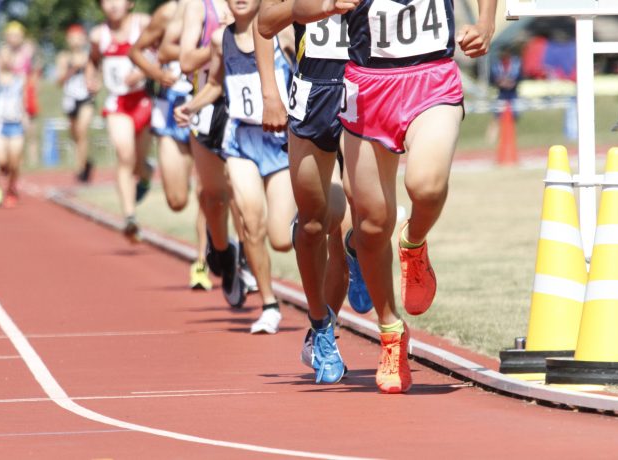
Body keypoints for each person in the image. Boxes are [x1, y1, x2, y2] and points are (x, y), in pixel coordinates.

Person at [293, 0, 496, 392]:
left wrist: (486, 23)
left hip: (432, 77)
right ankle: (390, 331)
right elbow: (296, 9)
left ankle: (414, 241)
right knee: (370, 225)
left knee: (426, 185)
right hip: (368, 88)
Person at [256, 3, 373, 382]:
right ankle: (320, 328)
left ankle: (358, 248)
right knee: (312, 223)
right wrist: (271, 94)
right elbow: (266, 22)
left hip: (368, 84)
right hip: (314, 91)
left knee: (366, 204)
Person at [175, 0, 298, 334]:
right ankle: (269, 304)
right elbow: (215, 84)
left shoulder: (283, 31)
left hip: (279, 143)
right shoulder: (220, 39)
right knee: (250, 220)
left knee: (280, 238)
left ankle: (307, 226)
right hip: (240, 142)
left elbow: (305, 68)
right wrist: (191, 105)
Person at [129, 0, 212, 290]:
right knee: (177, 201)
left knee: (206, 189)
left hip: (207, 104)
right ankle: (153, 170)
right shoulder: (169, 12)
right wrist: (156, 74)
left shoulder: (224, 7)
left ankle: (201, 261)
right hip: (170, 106)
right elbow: (138, 51)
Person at [175, 0, 250, 307]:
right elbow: (185, 60)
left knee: (242, 190)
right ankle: (223, 251)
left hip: (247, 105)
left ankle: (247, 260)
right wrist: (222, 40)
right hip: (209, 104)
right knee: (215, 197)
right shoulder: (199, 6)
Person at [87, 0, 153, 241]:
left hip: (143, 101)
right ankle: (129, 218)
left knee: (138, 161)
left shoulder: (143, 24)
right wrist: (91, 79)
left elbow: (164, 51)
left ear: (130, 3)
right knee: (125, 155)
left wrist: (144, 70)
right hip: (118, 103)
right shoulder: (98, 34)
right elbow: (92, 61)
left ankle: (146, 174)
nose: (112, 5)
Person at [56, 24, 96, 183]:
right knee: (75, 135)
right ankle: (86, 162)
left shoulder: (89, 56)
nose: (76, 41)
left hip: (86, 99)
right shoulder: (63, 58)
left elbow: (95, 77)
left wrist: (94, 85)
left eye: (79, 37)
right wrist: (72, 69)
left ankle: (80, 168)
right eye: (73, 38)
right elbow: (59, 81)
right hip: (70, 100)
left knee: (82, 131)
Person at [0, 47, 27, 208]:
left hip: (16, 124)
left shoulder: (20, 79)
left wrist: (26, 117)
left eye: (8, 57)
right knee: (2, 161)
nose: (6, 60)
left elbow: (24, 101)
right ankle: (1, 180)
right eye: (2, 56)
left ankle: (11, 189)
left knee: (14, 163)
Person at [1, 21, 41, 167]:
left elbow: (36, 69)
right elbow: (5, 67)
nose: (14, 39)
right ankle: (18, 159)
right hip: (10, 94)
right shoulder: (5, 52)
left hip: (26, 91)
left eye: (17, 36)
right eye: (11, 36)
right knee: (16, 129)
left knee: (30, 127)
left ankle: (34, 160)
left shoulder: (28, 51)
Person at [487, 46, 522, 144]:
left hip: (513, 93)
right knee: (496, 117)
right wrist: (499, 82)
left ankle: (511, 138)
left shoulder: (516, 63)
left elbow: (520, 77)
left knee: (514, 117)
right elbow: (492, 79)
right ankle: (491, 140)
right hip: (501, 94)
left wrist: (512, 83)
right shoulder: (496, 64)